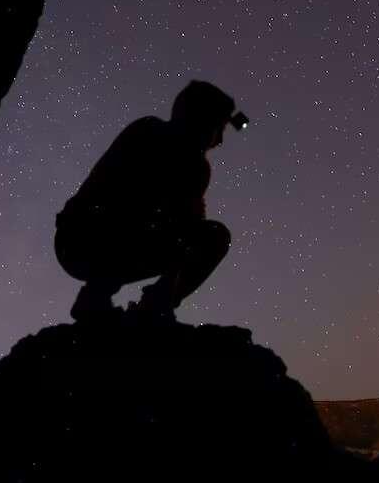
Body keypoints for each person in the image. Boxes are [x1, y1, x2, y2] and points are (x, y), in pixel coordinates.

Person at [54, 81, 245, 322]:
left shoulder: (196, 168)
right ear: (201, 121)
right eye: (218, 129)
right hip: (81, 238)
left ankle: (154, 306)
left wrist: (170, 285)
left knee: (212, 237)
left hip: (122, 239)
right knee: (141, 211)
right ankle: (95, 296)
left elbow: (192, 231)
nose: (219, 141)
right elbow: (119, 193)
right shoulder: (148, 133)